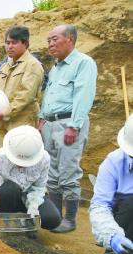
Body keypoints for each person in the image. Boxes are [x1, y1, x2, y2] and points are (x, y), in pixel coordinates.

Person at [38, 24, 97, 233]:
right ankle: (56, 218)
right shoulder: (56, 68)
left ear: (70, 39)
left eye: (54, 39)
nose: (50, 44)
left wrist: (74, 125)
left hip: (68, 124)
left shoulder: (83, 63)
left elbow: (84, 96)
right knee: (51, 173)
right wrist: (41, 118)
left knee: (68, 172)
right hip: (50, 124)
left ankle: (70, 220)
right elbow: (49, 96)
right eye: (48, 40)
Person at [0, 126, 61, 230]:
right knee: (9, 189)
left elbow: (39, 187)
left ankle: (27, 221)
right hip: (7, 197)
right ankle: (5, 220)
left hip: (29, 195)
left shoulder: (44, 159)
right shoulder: (0, 157)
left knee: (52, 219)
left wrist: (34, 205)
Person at [0, 26, 44, 148]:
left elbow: (25, 96)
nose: (10, 46)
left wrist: (3, 113)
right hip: (1, 123)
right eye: (7, 43)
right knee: (4, 158)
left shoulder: (32, 65)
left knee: (20, 159)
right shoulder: (5, 66)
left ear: (25, 43)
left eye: (14, 43)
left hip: (21, 123)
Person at [89, 115, 133, 254]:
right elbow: (99, 207)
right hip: (125, 220)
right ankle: (122, 248)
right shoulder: (113, 163)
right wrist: (111, 235)